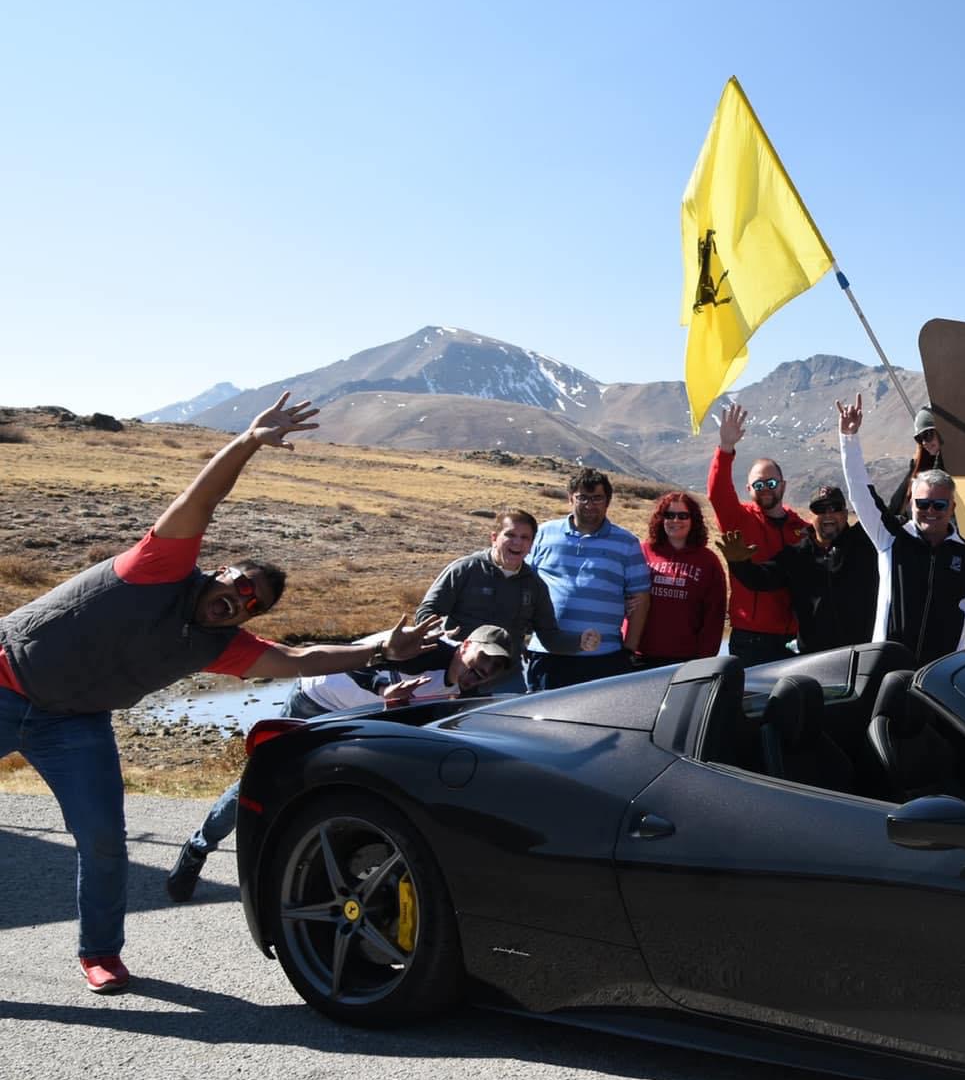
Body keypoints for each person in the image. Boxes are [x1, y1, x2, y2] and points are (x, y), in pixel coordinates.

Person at [0, 393, 444, 993]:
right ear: (221, 570)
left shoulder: (219, 646)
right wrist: (249, 441)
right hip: (5, 678)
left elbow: (298, 658)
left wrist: (381, 652)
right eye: (239, 581)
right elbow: (201, 499)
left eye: (253, 601)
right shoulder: (159, 565)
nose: (240, 596)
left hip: (72, 724)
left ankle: (99, 952)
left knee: (104, 839)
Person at [164, 626, 516, 901]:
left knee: (336, 791)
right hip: (317, 700)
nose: (482, 671)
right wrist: (384, 693)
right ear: (466, 646)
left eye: (492, 668)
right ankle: (198, 849)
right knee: (263, 781)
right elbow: (359, 661)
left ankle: (314, 873)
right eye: (481, 658)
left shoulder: (469, 689)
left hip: (361, 717)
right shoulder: (426, 649)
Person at [837, 394, 965, 665]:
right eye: (923, 503)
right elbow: (861, 493)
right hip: (886, 672)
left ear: (952, 508)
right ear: (912, 503)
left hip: (939, 680)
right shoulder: (891, 538)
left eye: (939, 504)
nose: (930, 510)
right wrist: (849, 439)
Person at [416, 508, 578, 686]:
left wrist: (579, 643)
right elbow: (427, 611)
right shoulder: (466, 569)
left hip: (505, 678)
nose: (517, 542)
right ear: (494, 538)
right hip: (457, 672)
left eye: (525, 538)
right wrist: (440, 637)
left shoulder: (535, 585)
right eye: (510, 535)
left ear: (532, 544)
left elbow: (549, 637)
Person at [524, 468, 651, 690]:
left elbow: (640, 598)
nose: (589, 504)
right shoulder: (544, 534)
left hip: (604, 657)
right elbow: (522, 585)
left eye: (597, 498)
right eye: (582, 497)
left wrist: (629, 650)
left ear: (608, 501)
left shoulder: (627, 542)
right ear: (570, 498)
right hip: (548, 654)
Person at [716, 485, 881, 654]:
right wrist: (739, 563)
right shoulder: (796, 555)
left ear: (845, 514)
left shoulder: (865, 543)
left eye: (835, 508)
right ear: (811, 516)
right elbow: (760, 579)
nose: (828, 515)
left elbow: (889, 512)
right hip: (813, 659)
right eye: (820, 509)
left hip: (863, 654)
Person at [708, 401, 809, 666]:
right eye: (759, 484)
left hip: (795, 639)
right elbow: (717, 493)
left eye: (772, 483)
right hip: (751, 639)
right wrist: (725, 448)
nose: (766, 489)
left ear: (783, 485)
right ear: (749, 489)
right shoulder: (738, 519)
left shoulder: (801, 529)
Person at [636, 491, 726, 665]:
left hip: (686, 659)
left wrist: (704, 661)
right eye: (669, 515)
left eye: (683, 516)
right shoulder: (642, 552)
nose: (675, 521)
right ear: (661, 519)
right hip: (640, 655)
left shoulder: (708, 561)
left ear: (693, 520)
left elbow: (715, 616)